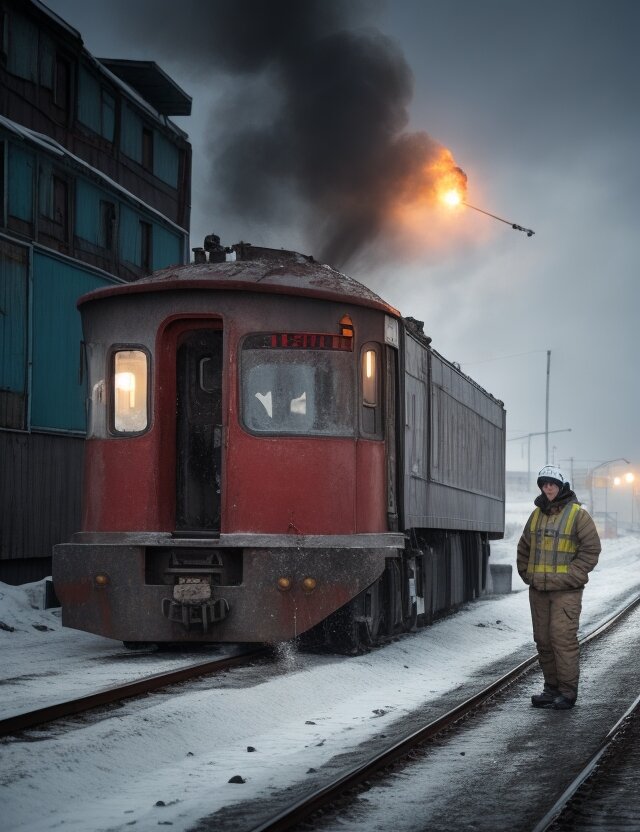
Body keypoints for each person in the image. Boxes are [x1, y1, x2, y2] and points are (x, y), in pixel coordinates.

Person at [517, 465, 601, 710]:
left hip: (567, 590)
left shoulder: (578, 515)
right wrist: (527, 574)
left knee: (562, 639)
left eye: (553, 483)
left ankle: (567, 692)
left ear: (562, 486)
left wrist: (572, 576)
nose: (548, 487)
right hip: (539, 590)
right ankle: (551, 688)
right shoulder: (536, 515)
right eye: (544, 484)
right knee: (542, 640)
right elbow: (524, 547)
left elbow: (591, 550)